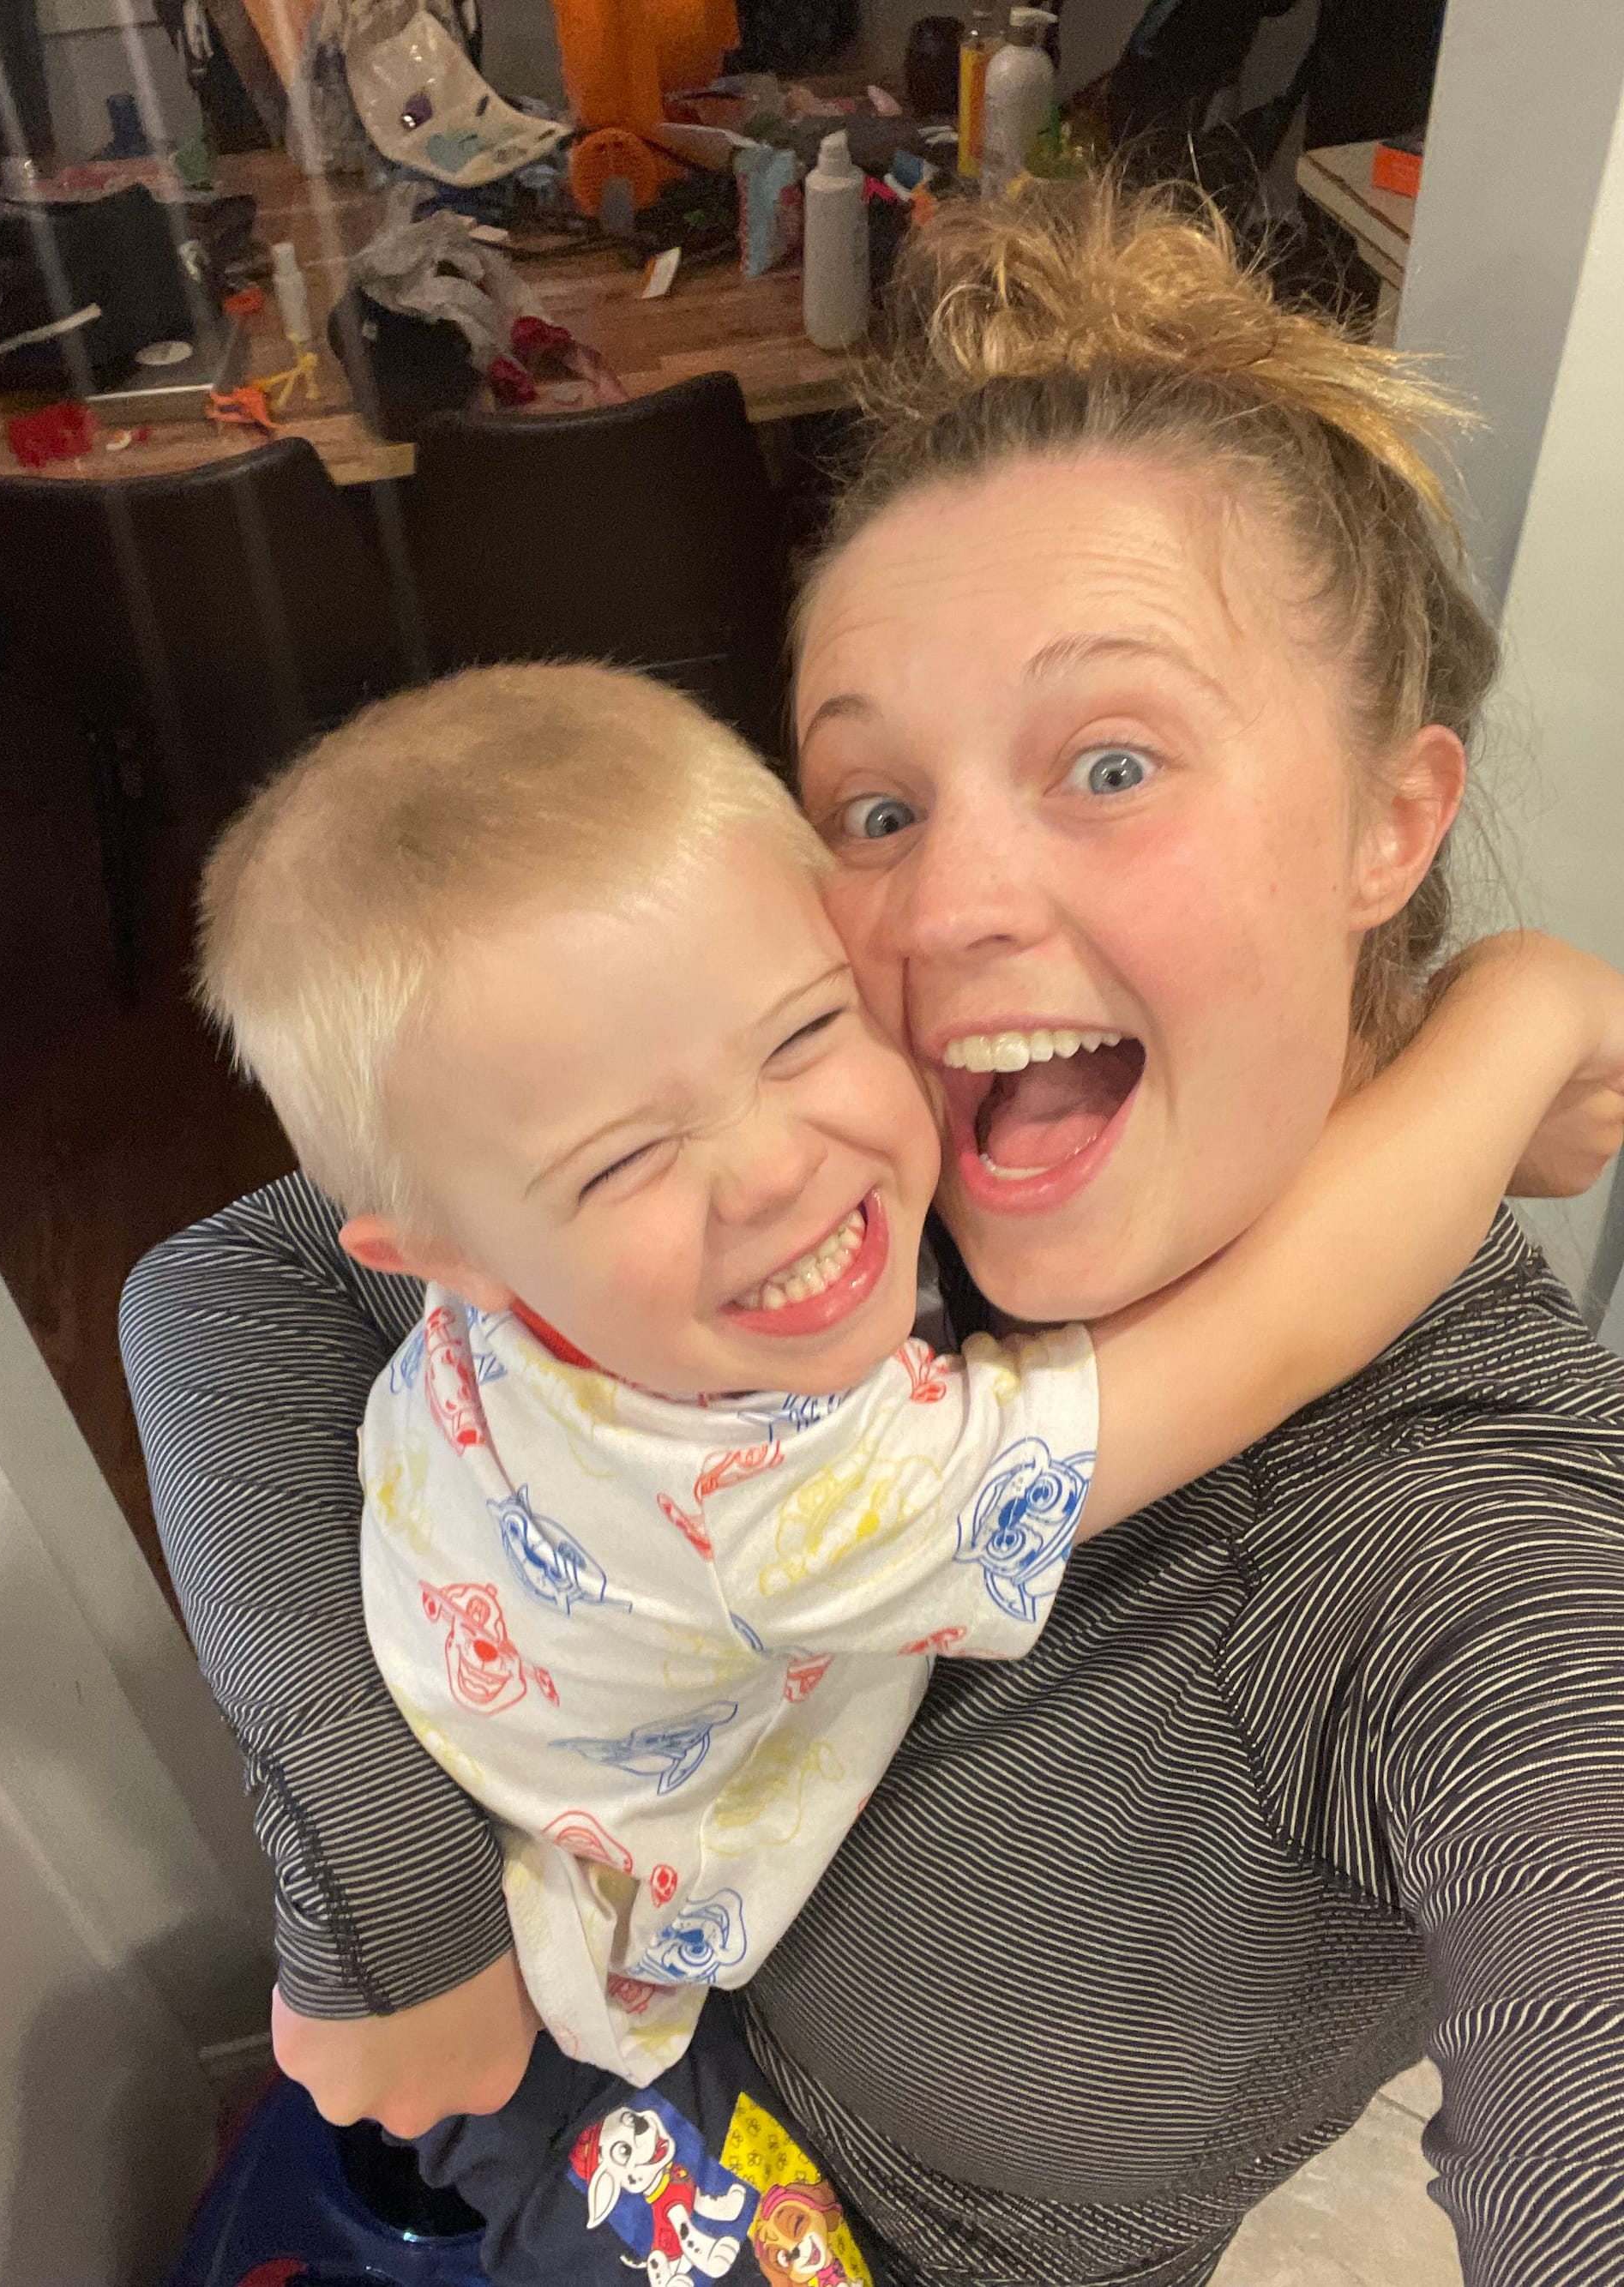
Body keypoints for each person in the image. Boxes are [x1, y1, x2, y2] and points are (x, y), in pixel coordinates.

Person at [122, 178, 1624, 2286]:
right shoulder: (832, 1151)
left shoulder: (1469, 1539)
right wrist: (379, 1880)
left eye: (1112, 761)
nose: (944, 913)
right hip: (576, 2070)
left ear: (1394, 816)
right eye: (880, 809)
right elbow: (239, 1283)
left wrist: (1519, 1014)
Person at [197, 654, 1614, 2121]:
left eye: (808, 1031)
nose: (775, 1167)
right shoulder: (776, 1500)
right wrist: (1527, 1016)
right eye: (622, 1162)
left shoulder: (528, 1244)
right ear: (449, 1258)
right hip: (588, 1945)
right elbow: (1278, 1331)